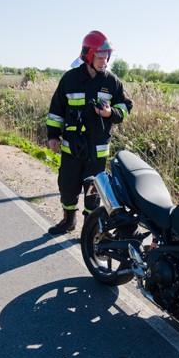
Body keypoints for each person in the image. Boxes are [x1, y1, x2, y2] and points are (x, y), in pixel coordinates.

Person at [45, 30, 133, 234]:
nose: (105, 61)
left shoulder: (112, 82)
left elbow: (126, 106)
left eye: (107, 57)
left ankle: (89, 230)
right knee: (67, 187)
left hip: (97, 150)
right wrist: (52, 136)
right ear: (88, 55)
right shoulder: (70, 79)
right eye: (100, 57)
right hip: (71, 147)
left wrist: (111, 113)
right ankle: (68, 221)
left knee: (93, 192)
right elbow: (56, 109)